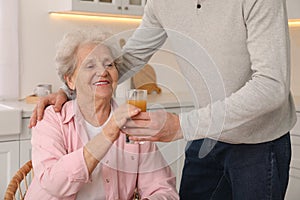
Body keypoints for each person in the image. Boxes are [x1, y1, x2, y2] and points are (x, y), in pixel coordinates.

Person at [29, 0, 297, 199]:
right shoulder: (163, 2)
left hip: (258, 142)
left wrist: (180, 126)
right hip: (206, 135)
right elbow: (129, 59)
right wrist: (73, 90)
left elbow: (271, 86)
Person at [25, 29, 179, 200]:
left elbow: (164, 189)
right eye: (90, 65)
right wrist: (109, 131)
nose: (103, 71)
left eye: (109, 64)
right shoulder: (51, 119)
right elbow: (55, 184)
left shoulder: (133, 122)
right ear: (70, 80)